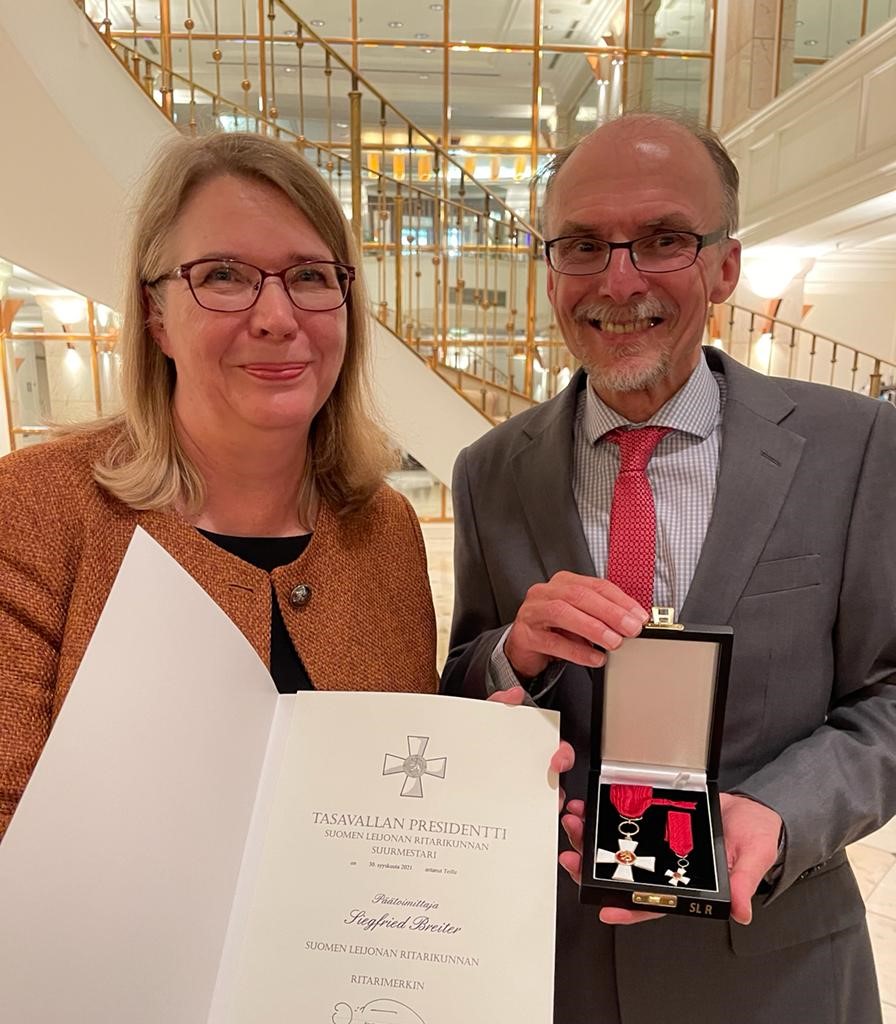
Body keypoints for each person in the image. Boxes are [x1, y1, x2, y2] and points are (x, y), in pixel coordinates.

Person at [442, 112, 896, 1023]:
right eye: (582, 245)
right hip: (551, 967)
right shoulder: (490, 470)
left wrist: (779, 811)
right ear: (550, 267)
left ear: (725, 265)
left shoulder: (854, 447)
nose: (619, 280)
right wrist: (512, 662)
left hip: (776, 968)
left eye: (663, 240)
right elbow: (464, 680)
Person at [0, 131, 440, 840]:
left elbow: (398, 794)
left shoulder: (384, 529)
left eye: (310, 277)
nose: (276, 318)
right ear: (155, 316)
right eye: (225, 276)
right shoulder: (32, 508)